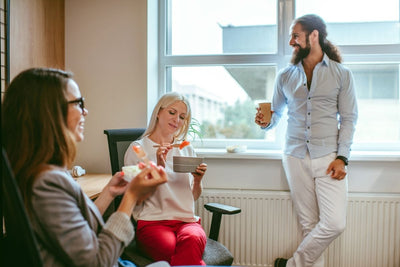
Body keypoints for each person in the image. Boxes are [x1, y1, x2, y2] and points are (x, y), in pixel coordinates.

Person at [2, 68, 168, 267]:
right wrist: (131, 197)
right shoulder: (47, 183)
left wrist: (109, 193)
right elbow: (97, 262)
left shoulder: (39, 173)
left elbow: (76, 233)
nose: (85, 111)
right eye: (79, 103)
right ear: (50, 112)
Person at [255, 14, 358, 267]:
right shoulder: (285, 76)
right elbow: (276, 114)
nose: (291, 41)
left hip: (328, 158)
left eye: (295, 35)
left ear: (314, 35)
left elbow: (348, 119)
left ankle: (292, 264)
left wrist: (342, 158)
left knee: (334, 223)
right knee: (308, 225)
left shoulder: (341, 74)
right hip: (294, 155)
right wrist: (265, 121)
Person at [124, 92, 208, 266]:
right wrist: (158, 169)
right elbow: (134, 198)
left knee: (193, 240)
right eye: (172, 112)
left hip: (187, 222)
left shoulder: (186, 148)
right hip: (152, 222)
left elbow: (192, 196)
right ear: (158, 112)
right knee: (173, 249)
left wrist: (198, 181)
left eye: (182, 117)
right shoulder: (138, 149)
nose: (177, 119)